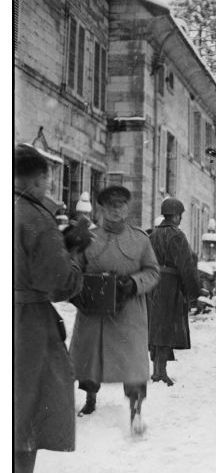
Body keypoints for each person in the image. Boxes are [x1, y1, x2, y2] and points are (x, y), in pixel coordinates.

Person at [14, 144, 86, 473]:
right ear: (41, 179)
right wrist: (74, 251)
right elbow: (60, 284)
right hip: (25, 325)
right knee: (25, 414)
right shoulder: (36, 219)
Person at [70, 185, 160, 432]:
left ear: (127, 208)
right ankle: (90, 399)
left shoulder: (140, 239)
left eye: (120, 204)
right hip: (94, 310)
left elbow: (153, 271)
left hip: (128, 311)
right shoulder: (88, 237)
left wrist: (133, 283)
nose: (115, 209)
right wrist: (82, 289)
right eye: (110, 205)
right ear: (102, 208)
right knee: (91, 357)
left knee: (133, 364)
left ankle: (136, 409)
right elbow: (74, 268)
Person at [148, 198, 201, 385]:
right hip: (170, 285)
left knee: (155, 327)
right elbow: (186, 265)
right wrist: (193, 291)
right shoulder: (177, 235)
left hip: (152, 283)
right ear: (177, 216)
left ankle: (156, 369)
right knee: (166, 327)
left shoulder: (153, 234)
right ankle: (160, 372)